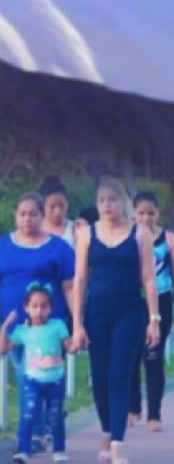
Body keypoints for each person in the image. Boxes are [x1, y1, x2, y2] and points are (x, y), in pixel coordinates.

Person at [70, 178, 161, 464]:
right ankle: (107, 432)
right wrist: (77, 324)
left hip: (129, 312)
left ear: (124, 202)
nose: (107, 205)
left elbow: (149, 278)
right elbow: (80, 280)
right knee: (99, 377)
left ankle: (118, 443)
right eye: (102, 200)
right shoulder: (86, 234)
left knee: (119, 374)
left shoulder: (139, 233)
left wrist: (154, 319)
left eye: (112, 199)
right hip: (97, 312)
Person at [0, 192, 74, 455]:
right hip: (15, 328)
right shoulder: (3, 245)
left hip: (47, 328)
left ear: (42, 216)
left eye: (33, 214)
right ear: (15, 215)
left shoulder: (58, 247)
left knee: (40, 375)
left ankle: (39, 430)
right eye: (22, 213)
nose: (27, 219)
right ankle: (38, 432)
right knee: (26, 376)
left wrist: (77, 322)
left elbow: (70, 286)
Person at [128, 191, 174, 432]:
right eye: (141, 213)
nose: (146, 218)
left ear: (158, 213)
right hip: (134, 301)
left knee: (153, 358)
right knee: (131, 357)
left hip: (161, 302)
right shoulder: (128, 237)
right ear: (133, 214)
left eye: (151, 213)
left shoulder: (169, 240)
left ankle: (154, 414)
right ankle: (132, 408)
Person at [1, 283, 73, 463]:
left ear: (51, 308)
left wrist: (78, 341)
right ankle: (23, 450)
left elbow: (70, 347)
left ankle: (59, 450)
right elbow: (3, 349)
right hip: (32, 381)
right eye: (35, 306)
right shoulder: (22, 331)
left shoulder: (58, 326)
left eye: (44, 306)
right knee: (28, 414)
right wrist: (5, 326)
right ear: (26, 308)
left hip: (55, 381)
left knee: (55, 417)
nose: (39, 310)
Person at [38, 176, 74, 248]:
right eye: (52, 207)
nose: (58, 211)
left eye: (61, 205)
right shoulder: (35, 229)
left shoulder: (75, 229)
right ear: (42, 206)